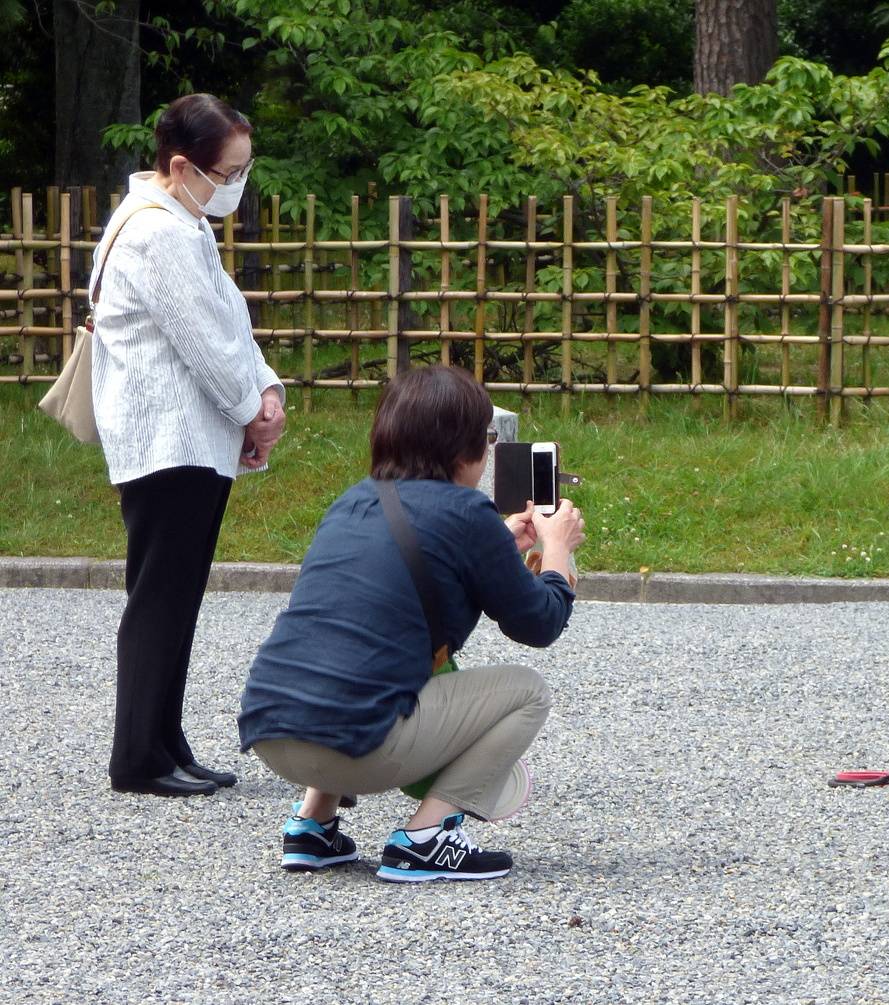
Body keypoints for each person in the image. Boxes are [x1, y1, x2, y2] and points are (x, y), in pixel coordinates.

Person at [238, 365, 584, 884]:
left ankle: (312, 825)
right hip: (358, 749)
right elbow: (540, 624)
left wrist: (496, 545)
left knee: (359, 655)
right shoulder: (467, 513)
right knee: (526, 691)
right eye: (486, 439)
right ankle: (427, 838)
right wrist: (556, 552)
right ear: (465, 450)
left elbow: (387, 598)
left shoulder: (353, 501)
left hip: (272, 732)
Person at [91, 93, 286, 798]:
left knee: (177, 597)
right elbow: (202, 340)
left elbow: (229, 320)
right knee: (160, 599)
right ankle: (138, 756)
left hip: (192, 439)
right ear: (182, 166)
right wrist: (250, 410)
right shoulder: (157, 232)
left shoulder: (184, 221)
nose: (236, 184)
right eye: (228, 172)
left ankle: (165, 742)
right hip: (166, 442)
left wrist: (266, 390)